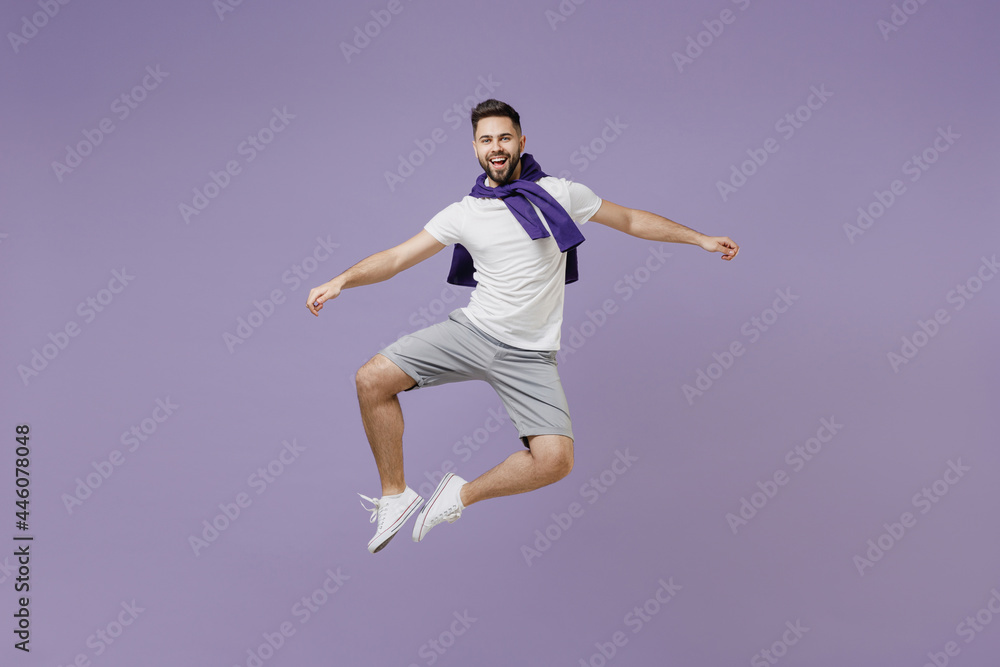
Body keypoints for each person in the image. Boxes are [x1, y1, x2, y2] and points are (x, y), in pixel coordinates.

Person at [307, 99, 739, 553]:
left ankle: (458, 495)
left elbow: (630, 220)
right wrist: (341, 280)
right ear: (475, 147)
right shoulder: (464, 213)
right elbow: (395, 258)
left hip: (529, 355)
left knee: (554, 461)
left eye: (505, 137)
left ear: (521, 142)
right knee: (371, 379)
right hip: (471, 334)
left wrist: (700, 238)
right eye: (487, 139)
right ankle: (395, 495)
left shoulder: (561, 194)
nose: (497, 147)